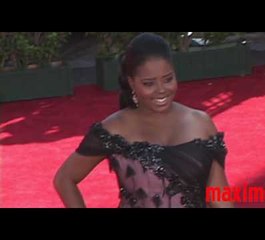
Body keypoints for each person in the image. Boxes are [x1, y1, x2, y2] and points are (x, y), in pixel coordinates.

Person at [54, 32, 233, 208]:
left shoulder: (200, 123)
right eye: (149, 83)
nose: (161, 90)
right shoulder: (113, 129)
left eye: (168, 79)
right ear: (132, 83)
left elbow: (219, 196)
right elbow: (65, 179)